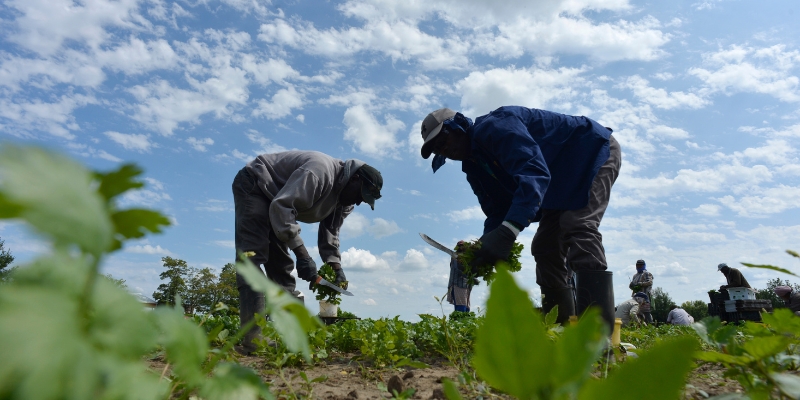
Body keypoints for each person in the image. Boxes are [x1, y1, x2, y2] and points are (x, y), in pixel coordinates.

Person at [419, 106, 621, 326]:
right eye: (437, 148)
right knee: (545, 247)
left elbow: (533, 172)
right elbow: (498, 210)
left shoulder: (495, 127)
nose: (444, 150)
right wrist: (485, 245)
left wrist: (508, 232)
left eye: (443, 140)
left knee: (577, 224)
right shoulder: (473, 166)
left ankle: (599, 332)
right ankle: (560, 326)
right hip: (557, 184)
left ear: (458, 127)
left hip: (589, 154)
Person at [232, 151, 383, 354]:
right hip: (257, 185)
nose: (357, 202)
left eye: (363, 201)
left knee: (281, 267)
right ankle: (253, 338)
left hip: (277, 201)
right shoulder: (318, 172)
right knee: (252, 258)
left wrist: (336, 267)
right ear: (354, 178)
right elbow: (283, 207)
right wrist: (303, 256)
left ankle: (292, 334)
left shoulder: (345, 200)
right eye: (359, 195)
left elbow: (331, 232)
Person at [447, 241, 474, 312]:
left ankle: (466, 322)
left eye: (463, 246)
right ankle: (460, 322)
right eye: (460, 246)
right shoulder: (455, 257)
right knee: (461, 306)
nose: (461, 247)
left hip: (466, 285)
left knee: (466, 306)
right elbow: (458, 269)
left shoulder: (468, 258)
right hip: (458, 284)